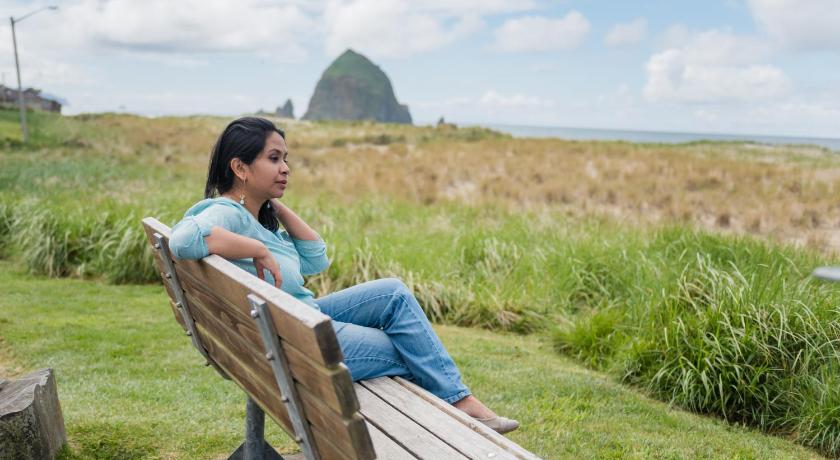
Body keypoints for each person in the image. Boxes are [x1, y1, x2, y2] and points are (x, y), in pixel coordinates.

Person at [168, 117, 519, 434]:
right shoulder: (226, 213)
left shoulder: (255, 218)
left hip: (295, 323)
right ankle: (463, 410)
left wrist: (274, 205)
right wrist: (258, 250)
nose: (286, 168)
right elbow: (183, 240)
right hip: (295, 341)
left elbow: (316, 259)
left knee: (394, 293)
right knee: (411, 348)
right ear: (240, 167)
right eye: (274, 159)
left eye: (286, 159)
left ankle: (461, 404)